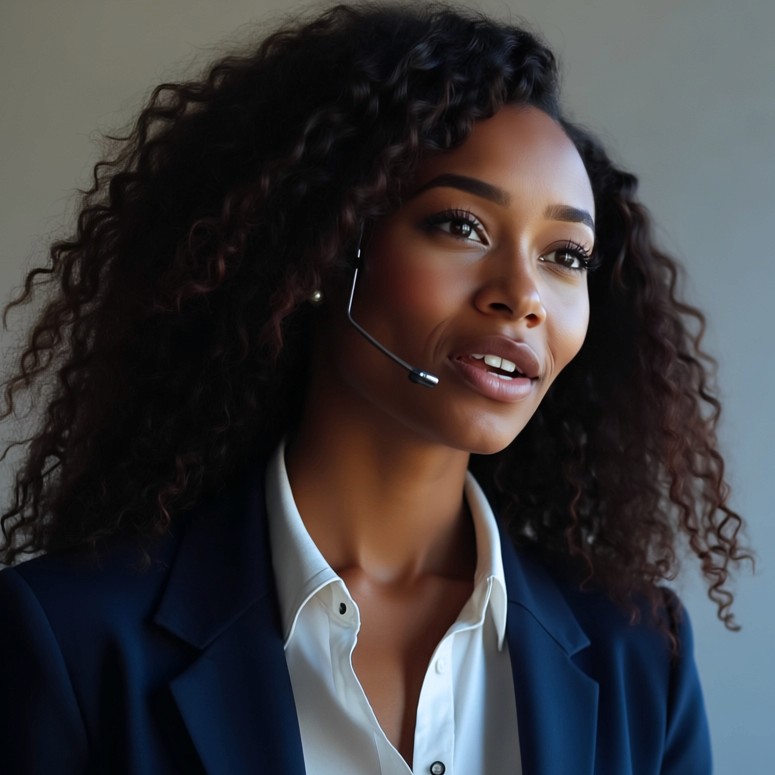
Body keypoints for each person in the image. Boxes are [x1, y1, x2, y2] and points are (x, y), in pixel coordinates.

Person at [0, 3, 748, 773]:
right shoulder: (70, 640)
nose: (523, 294)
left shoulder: (640, 654)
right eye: (460, 226)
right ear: (324, 252)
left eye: (566, 255)